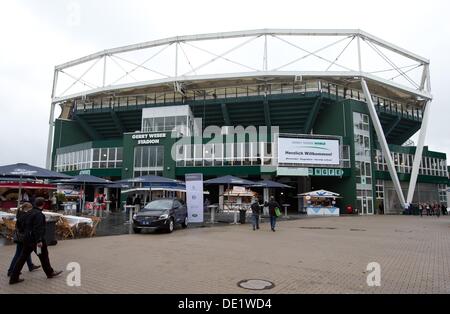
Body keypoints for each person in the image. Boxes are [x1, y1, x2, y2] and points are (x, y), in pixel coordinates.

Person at [9, 197, 63, 285]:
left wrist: (25, 232)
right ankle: (50, 273)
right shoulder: (38, 214)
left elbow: (20, 222)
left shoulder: (29, 212)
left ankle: (13, 277)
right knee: (44, 256)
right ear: (43, 204)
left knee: (22, 258)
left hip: (27, 239)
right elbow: (38, 229)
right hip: (35, 240)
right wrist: (39, 240)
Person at [7, 203, 41, 277]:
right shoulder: (23, 215)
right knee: (18, 254)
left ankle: (30, 266)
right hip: (22, 238)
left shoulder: (20, 213)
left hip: (20, 237)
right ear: (27, 208)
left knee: (26, 252)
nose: (31, 210)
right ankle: (11, 270)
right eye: (30, 209)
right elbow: (24, 227)